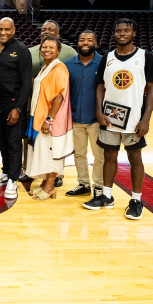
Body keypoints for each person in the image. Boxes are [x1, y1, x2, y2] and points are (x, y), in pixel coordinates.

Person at [83, 18, 153, 220]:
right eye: (118, 31)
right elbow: (100, 85)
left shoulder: (145, 57)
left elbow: (152, 88)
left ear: (134, 34)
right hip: (110, 118)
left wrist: (146, 119)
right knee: (109, 156)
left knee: (135, 158)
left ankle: (136, 199)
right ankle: (106, 196)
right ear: (114, 34)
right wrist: (99, 111)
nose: (122, 34)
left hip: (134, 120)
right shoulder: (107, 57)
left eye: (126, 31)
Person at [25, 20, 78, 187]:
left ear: (58, 50)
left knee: (52, 151)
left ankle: (49, 187)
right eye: (44, 48)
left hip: (49, 118)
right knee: (43, 151)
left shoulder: (59, 67)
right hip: (39, 114)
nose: (47, 50)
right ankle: (44, 182)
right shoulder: (45, 67)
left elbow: (59, 97)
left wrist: (49, 119)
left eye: (51, 48)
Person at [0, 17, 32, 200]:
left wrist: (18, 108)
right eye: (0, 29)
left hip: (13, 104)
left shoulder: (22, 50)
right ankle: (6, 171)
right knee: (2, 140)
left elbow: (25, 82)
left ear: (13, 30)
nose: (3, 33)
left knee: (14, 142)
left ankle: (14, 178)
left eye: (7, 29)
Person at [64, 30, 104, 198]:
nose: (85, 43)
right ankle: (83, 184)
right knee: (79, 154)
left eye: (89, 40)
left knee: (99, 156)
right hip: (75, 118)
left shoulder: (103, 63)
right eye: (82, 40)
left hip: (97, 119)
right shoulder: (68, 64)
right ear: (77, 43)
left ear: (95, 43)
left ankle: (99, 187)